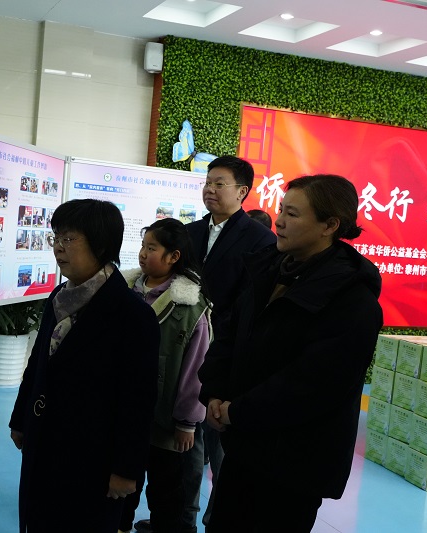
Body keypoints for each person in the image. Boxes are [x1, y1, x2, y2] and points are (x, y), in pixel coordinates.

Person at [198, 175, 383, 532]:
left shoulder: (352, 299)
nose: (279, 221)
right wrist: (215, 392)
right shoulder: (267, 269)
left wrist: (238, 411)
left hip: (294, 462)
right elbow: (229, 336)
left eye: (293, 214)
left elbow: (314, 384)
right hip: (243, 444)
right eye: (281, 210)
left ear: (330, 225)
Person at [9, 199, 159, 533]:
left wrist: (126, 469)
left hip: (93, 457)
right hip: (44, 442)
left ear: (101, 245)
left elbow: (138, 400)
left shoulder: (132, 315)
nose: (58, 248)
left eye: (69, 239)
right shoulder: (59, 296)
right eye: (56, 238)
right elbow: (38, 364)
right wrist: (21, 419)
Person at [182, 155, 275, 529]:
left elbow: (250, 304)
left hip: (224, 355)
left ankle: (217, 520)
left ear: (242, 191)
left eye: (219, 183)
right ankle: (182, 517)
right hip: (184, 350)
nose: (210, 189)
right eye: (207, 182)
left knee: (219, 442)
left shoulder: (261, 240)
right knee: (185, 439)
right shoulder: (188, 233)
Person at [120, 218, 212, 533]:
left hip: (167, 422)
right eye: (142, 246)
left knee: (166, 492)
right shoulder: (125, 290)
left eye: (152, 248)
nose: (143, 254)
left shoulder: (190, 307)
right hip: (125, 414)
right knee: (121, 487)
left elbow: (195, 370)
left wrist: (187, 422)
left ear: (174, 256)